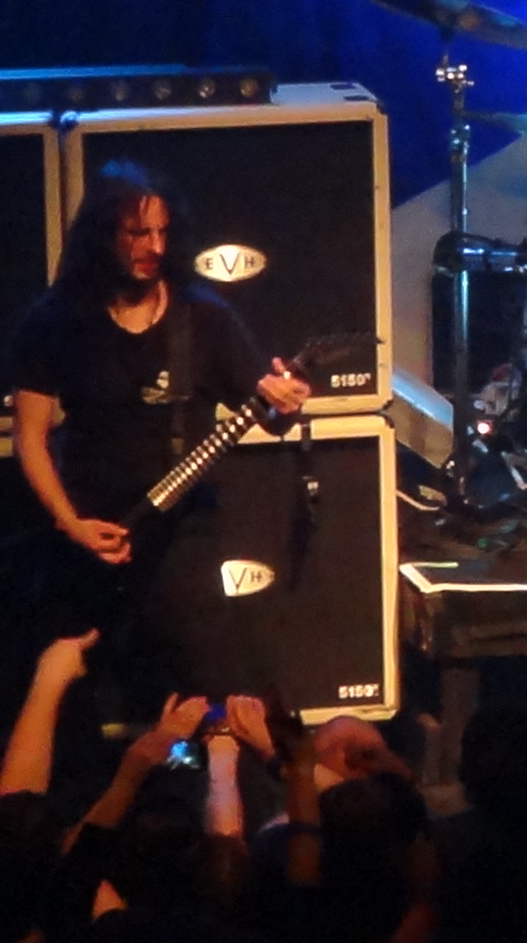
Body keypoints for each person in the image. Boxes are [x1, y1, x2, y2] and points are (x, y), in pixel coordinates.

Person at [7, 160, 310, 703]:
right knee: (67, 697)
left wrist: (284, 403)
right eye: (137, 232)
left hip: (180, 534)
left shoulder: (203, 316)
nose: (155, 246)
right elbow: (30, 437)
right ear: (104, 234)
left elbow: (267, 411)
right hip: (88, 531)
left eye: (163, 232)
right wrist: (70, 523)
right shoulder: (56, 320)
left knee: (223, 688)